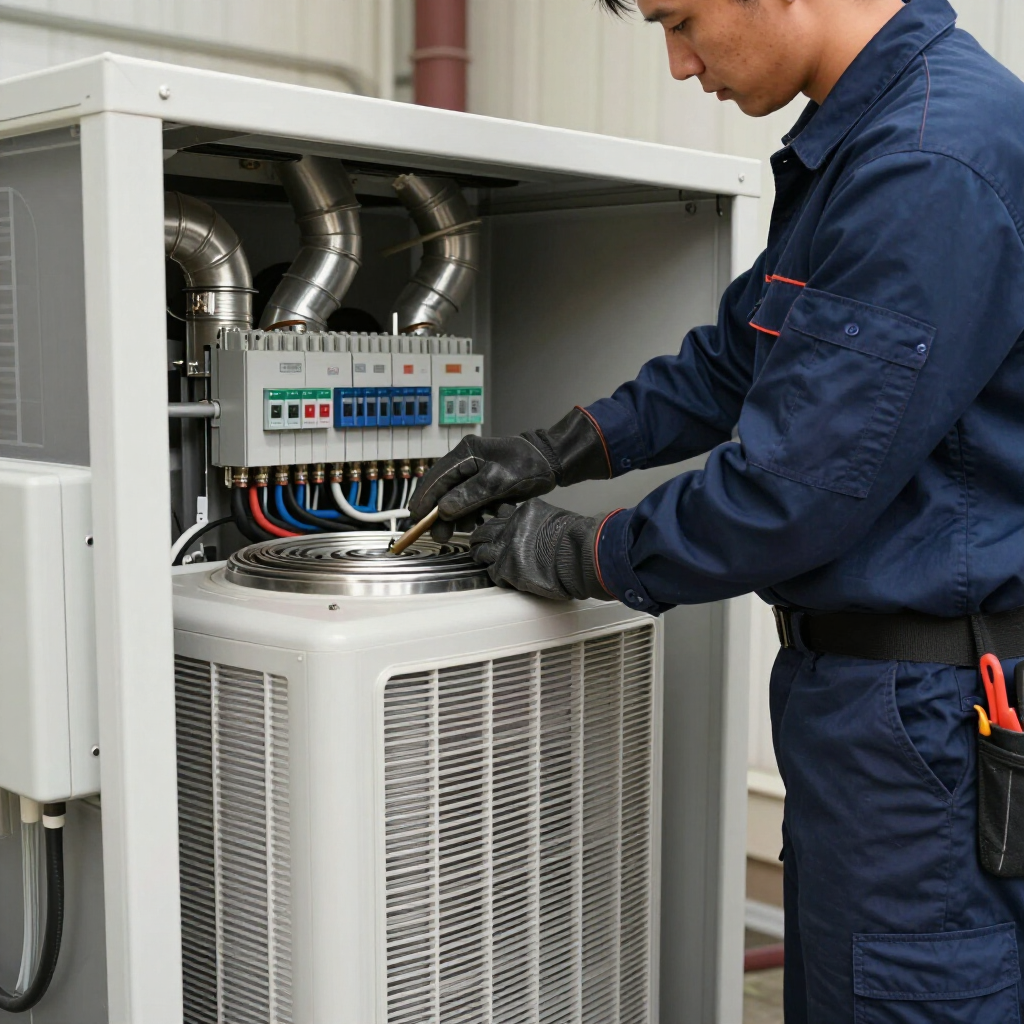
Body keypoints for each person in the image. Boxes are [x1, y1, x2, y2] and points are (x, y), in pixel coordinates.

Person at [408, 0, 1024, 1019]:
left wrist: (576, 552)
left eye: (680, 19)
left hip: (921, 725)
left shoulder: (926, 161)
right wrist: (557, 447)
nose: (679, 64)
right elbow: (735, 358)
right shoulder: (868, 136)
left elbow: (789, 490)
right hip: (875, 709)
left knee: (901, 994)